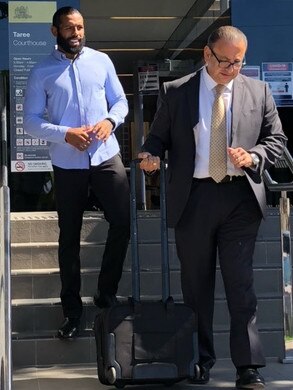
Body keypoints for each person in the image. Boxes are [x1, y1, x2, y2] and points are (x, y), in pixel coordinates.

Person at [138, 26, 286, 389]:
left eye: (238, 62)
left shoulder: (259, 90)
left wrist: (253, 155)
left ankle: (247, 366)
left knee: (241, 286)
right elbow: (157, 136)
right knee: (196, 286)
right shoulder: (176, 92)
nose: (231, 69)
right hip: (194, 199)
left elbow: (278, 141)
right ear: (207, 54)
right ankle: (199, 359)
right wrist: (151, 154)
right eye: (224, 61)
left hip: (240, 200)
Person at [24, 7, 130, 340]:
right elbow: (30, 120)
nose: (77, 33)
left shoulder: (102, 61)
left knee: (123, 223)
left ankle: (105, 293)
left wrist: (110, 121)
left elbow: (121, 102)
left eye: (81, 27)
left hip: (106, 157)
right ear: (55, 32)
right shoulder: (41, 72)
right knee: (68, 238)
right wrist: (64, 133)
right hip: (67, 165)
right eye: (70, 28)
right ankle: (72, 310)